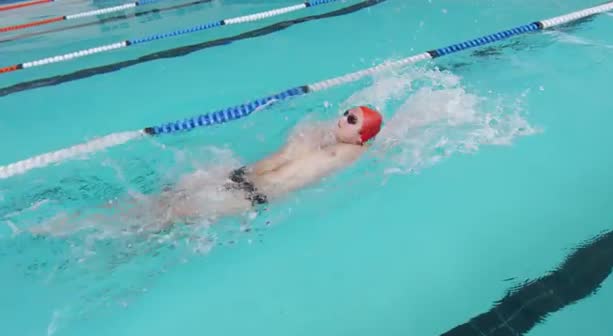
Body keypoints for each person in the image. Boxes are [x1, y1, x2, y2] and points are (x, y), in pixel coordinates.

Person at [30, 106, 383, 236]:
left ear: (360, 136)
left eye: (351, 120)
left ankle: (73, 226)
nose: (342, 117)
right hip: (242, 178)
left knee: (165, 215)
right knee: (163, 204)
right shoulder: (328, 142)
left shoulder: (347, 154)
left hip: (252, 195)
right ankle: (81, 224)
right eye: (346, 111)